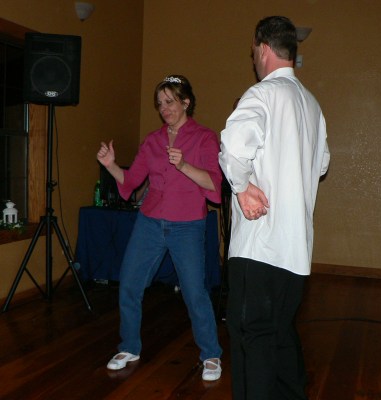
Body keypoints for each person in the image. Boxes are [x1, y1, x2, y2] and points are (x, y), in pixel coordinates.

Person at [219, 16, 330, 399]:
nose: (253, 56)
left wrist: (242, 187)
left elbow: (233, 146)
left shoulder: (262, 94)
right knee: (280, 334)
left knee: (251, 337)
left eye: (254, 49)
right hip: (295, 251)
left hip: (260, 247)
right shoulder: (312, 105)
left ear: (263, 48)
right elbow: (322, 164)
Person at [97, 75, 223, 381]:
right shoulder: (152, 141)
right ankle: (129, 347)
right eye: (159, 103)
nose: (164, 108)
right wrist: (111, 165)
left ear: (186, 102)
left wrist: (183, 165)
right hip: (150, 222)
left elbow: (214, 185)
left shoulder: (205, 138)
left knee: (194, 292)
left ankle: (211, 354)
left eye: (170, 101)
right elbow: (131, 182)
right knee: (129, 284)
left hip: (188, 226)